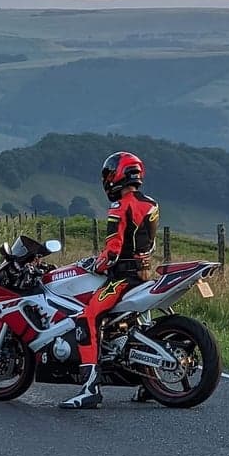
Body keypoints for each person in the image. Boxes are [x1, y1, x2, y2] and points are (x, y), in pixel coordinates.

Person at [59, 151, 159, 409]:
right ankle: (148, 382)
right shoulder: (151, 204)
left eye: (108, 174)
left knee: (87, 317)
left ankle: (90, 387)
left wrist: (97, 263)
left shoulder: (120, 206)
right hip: (144, 273)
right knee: (136, 325)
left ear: (117, 175)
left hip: (123, 278)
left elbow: (113, 250)